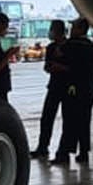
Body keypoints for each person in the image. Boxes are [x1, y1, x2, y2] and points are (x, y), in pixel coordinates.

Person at [52, 17, 93, 165]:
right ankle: (83, 152)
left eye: (74, 27)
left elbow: (60, 59)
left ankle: (64, 153)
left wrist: (62, 67)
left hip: (73, 88)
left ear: (80, 29)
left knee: (70, 120)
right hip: (90, 88)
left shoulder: (70, 46)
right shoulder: (92, 46)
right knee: (84, 120)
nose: (71, 30)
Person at [32, 20, 68, 158]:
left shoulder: (70, 47)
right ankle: (42, 147)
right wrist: (53, 66)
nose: (50, 32)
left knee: (67, 118)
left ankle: (63, 150)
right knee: (46, 117)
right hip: (54, 86)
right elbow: (47, 67)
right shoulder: (51, 47)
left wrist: (59, 67)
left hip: (66, 87)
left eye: (52, 30)